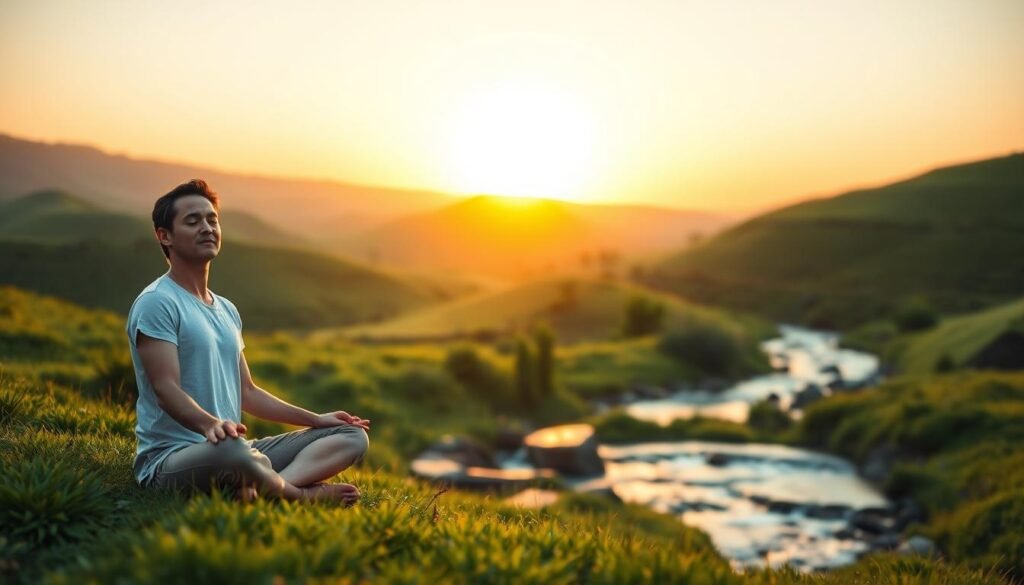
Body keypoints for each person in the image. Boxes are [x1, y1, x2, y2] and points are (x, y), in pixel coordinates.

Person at [126, 179, 369, 504]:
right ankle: (296, 495)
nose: (207, 228)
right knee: (236, 452)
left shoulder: (226, 308)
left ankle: (264, 487)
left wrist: (316, 419)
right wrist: (211, 425)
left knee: (352, 436)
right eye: (193, 221)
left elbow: (248, 392)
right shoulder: (157, 302)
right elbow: (166, 389)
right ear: (164, 236)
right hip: (173, 460)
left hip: (234, 450)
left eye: (212, 219)